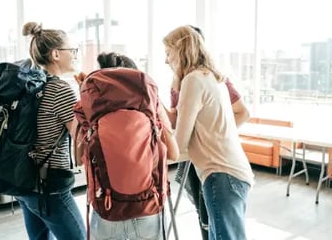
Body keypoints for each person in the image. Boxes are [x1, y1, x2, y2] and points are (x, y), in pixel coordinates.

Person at [74, 52, 179, 240]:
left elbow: (78, 158)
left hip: (107, 208)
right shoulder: (151, 104)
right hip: (148, 206)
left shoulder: (88, 105)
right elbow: (173, 153)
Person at [163, 25, 254, 240]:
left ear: (181, 50)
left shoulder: (193, 80)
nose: (166, 60)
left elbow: (181, 141)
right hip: (231, 172)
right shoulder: (211, 77)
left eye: (168, 54)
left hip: (220, 173)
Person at [17, 21, 87, 240]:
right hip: (50, 185)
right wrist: (87, 95)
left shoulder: (30, 84)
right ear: (56, 54)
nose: (75, 55)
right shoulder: (59, 88)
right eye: (72, 50)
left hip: (24, 179)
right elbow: (81, 137)